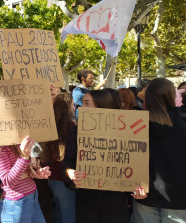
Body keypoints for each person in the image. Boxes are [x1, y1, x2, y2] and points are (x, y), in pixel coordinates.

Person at [63, 89, 143, 223]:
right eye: (82, 103)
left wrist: (138, 189)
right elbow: (67, 162)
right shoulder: (77, 130)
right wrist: (70, 172)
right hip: (86, 199)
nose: (82, 107)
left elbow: (136, 164)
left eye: (87, 103)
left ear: (102, 105)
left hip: (116, 200)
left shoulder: (127, 131)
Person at [133, 78, 186, 222]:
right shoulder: (182, 123)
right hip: (177, 197)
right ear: (172, 96)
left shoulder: (136, 125)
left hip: (144, 193)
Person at [0, 135, 51, 223]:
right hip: (17, 203)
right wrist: (24, 156)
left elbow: (22, 168)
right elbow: (8, 181)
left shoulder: (16, 137)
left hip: (32, 196)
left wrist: (36, 172)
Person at [41, 93, 76, 223]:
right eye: (73, 105)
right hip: (64, 179)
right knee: (68, 215)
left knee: (59, 213)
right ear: (67, 107)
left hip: (52, 178)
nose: (75, 107)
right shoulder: (71, 128)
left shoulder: (51, 125)